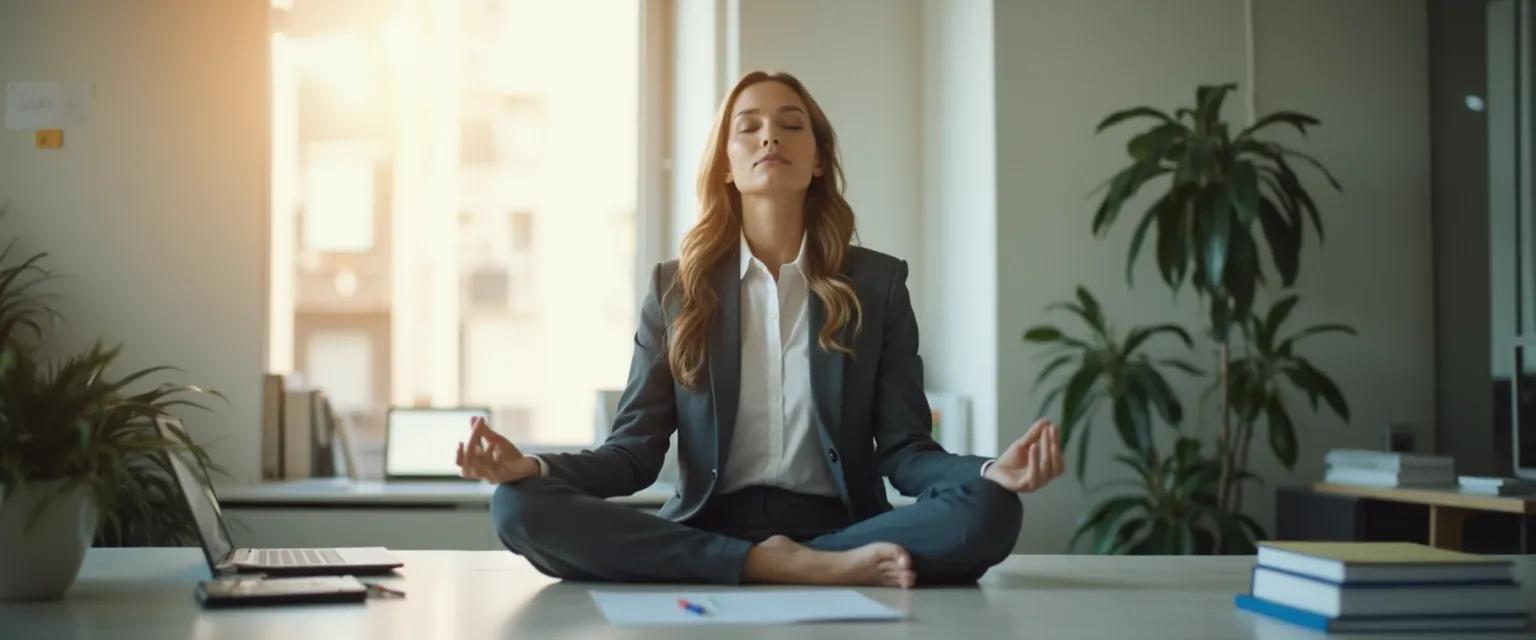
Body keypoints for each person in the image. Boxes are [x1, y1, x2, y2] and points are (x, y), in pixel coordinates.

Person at [455, 70, 1064, 588]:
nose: (769, 134)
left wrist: (988, 471)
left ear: (818, 158)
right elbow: (633, 455)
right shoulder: (675, 289)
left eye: (791, 124)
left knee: (990, 511)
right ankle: (777, 566)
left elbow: (906, 451)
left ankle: (778, 564)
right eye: (747, 125)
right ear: (726, 162)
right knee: (516, 506)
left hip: (846, 527)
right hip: (709, 524)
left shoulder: (877, 285)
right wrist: (530, 469)